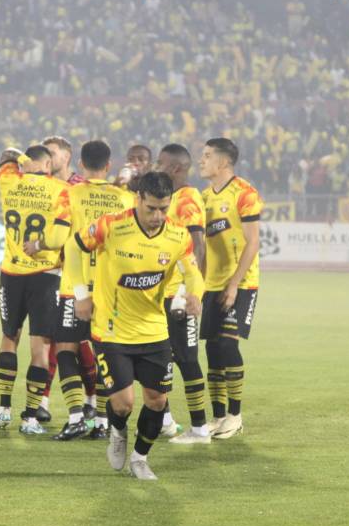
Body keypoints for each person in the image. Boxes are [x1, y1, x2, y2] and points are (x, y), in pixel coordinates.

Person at [68, 171, 204, 480]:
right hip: (111, 330)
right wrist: (81, 294)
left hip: (154, 330)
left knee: (157, 401)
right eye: (151, 208)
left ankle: (140, 458)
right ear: (138, 199)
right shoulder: (111, 226)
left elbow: (192, 273)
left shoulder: (178, 236)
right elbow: (73, 248)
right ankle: (118, 433)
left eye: (163, 208)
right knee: (123, 404)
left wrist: (195, 294)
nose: (157, 216)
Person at [24, 140, 134, 440]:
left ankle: (75, 418)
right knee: (103, 353)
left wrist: (38, 244)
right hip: (112, 290)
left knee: (66, 350)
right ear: (108, 165)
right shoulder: (126, 199)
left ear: (81, 165)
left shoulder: (69, 194)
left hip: (76, 286)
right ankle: (101, 421)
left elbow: (58, 237)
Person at [0, 145, 67, 435]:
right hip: (45, 275)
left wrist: (19, 158)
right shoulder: (61, 190)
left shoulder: (9, 180)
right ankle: (30, 418)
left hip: (11, 273)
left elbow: (6, 156)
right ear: (48, 164)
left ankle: (3, 410)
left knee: (9, 338)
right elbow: (61, 235)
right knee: (41, 347)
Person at [199, 138, 263, 439]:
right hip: (212, 284)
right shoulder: (203, 197)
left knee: (227, 345)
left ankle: (235, 416)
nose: (201, 160)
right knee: (212, 349)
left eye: (207, 155)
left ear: (223, 161)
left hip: (241, 282)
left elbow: (253, 242)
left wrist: (234, 284)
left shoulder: (244, 193)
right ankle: (218, 416)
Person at [155, 143, 210, 444]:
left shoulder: (187, 198)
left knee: (187, 359)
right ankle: (165, 421)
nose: (156, 166)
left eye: (160, 163)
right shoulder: (168, 198)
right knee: (160, 357)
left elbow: (198, 245)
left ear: (175, 168)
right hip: (158, 294)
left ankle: (200, 428)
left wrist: (191, 291)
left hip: (178, 293)